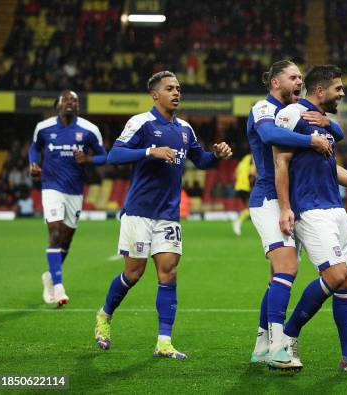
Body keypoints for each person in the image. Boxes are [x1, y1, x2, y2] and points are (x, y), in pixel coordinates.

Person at [93, 71, 232, 359]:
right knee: (133, 273)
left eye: (178, 88)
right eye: (170, 88)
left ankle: (164, 342)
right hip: (139, 212)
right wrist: (149, 151)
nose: (176, 92)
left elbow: (201, 161)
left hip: (168, 214)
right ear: (155, 95)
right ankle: (105, 315)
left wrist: (216, 155)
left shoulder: (185, 129)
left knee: (168, 274)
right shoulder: (140, 123)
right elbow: (114, 156)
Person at [273, 65, 347, 372]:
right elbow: (281, 164)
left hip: (334, 208)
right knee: (335, 274)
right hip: (310, 210)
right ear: (320, 91)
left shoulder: (325, 124)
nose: (342, 93)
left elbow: (332, 168)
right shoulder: (291, 116)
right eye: (337, 89)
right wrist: (286, 207)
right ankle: (287, 337)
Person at [246, 60, 340, 369]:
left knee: (278, 276)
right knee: (287, 267)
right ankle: (278, 347)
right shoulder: (262, 108)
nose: (299, 81)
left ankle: (262, 345)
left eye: (301, 77)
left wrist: (328, 126)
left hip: (291, 199)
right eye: (293, 77)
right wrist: (310, 140)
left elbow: (335, 130)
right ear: (275, 83)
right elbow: (271, 136)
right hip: (269, 198)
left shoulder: (298, 110)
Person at [29, 90, 107, 306]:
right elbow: (34, 148)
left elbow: (104, 156)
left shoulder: (89, 130)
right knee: (54, 231)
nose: (71, 103)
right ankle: (58, 286)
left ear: (78, 106)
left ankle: (50, 276)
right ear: (58, 104)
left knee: (66, 238)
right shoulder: (44, 128)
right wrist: (33, 163)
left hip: (75, 189)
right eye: (67, 100)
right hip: (51, 186)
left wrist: (88, 158)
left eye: (75, 101)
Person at [232, 153, 256, 236]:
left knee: (250, 208)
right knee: (251, 208)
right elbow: (252, 174)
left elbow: (235, 174)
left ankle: (238, 221)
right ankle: (238, 221)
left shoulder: (243, 161)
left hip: (238, 186)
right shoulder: (252, 161)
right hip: (245, 187)